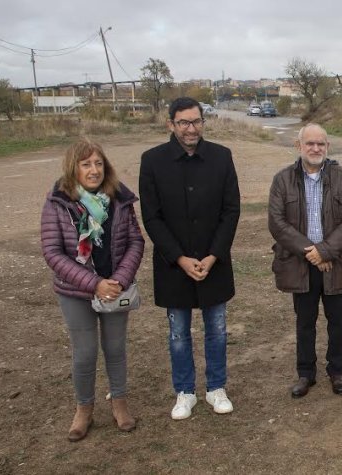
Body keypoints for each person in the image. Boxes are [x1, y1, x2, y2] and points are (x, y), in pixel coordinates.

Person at [139, 97, 241, 420]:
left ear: (202, 122)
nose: (191, 128)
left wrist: (213, 255)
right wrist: (180, 258)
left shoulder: (221, 158)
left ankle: (216, 387)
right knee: (179, 333)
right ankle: (185, 391)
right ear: (171, 125)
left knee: (217, 329)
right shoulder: (152, 161)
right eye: (183, 122)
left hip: (215, 262)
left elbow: (231, 210)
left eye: (196, 121)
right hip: (174, 265)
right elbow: (152, 218)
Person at [41, 139, 144, 441]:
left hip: (115, 289)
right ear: (73, 168)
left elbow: (136, 242)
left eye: (98, 163)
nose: (94, 170)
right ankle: (84, 409)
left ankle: (120, 403)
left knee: (115, 349)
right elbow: (52, 252)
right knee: (84, 353)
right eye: (86, 164)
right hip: (75, 292)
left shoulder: (119, 199)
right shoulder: (58, 202)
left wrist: (118, 281)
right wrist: (93, 284)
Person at [268, 124, 342, 398]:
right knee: (305, 322)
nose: (315, 148)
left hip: (336, 263)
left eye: (321, 143)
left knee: (338, 321)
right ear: (299, 146)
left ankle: (337, 370)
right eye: (310, 143)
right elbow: (277, 222)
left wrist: (325, 251)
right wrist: (312, 252)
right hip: (301, 265)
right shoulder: (282, 179)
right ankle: (306, 373)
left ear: (327, 147)